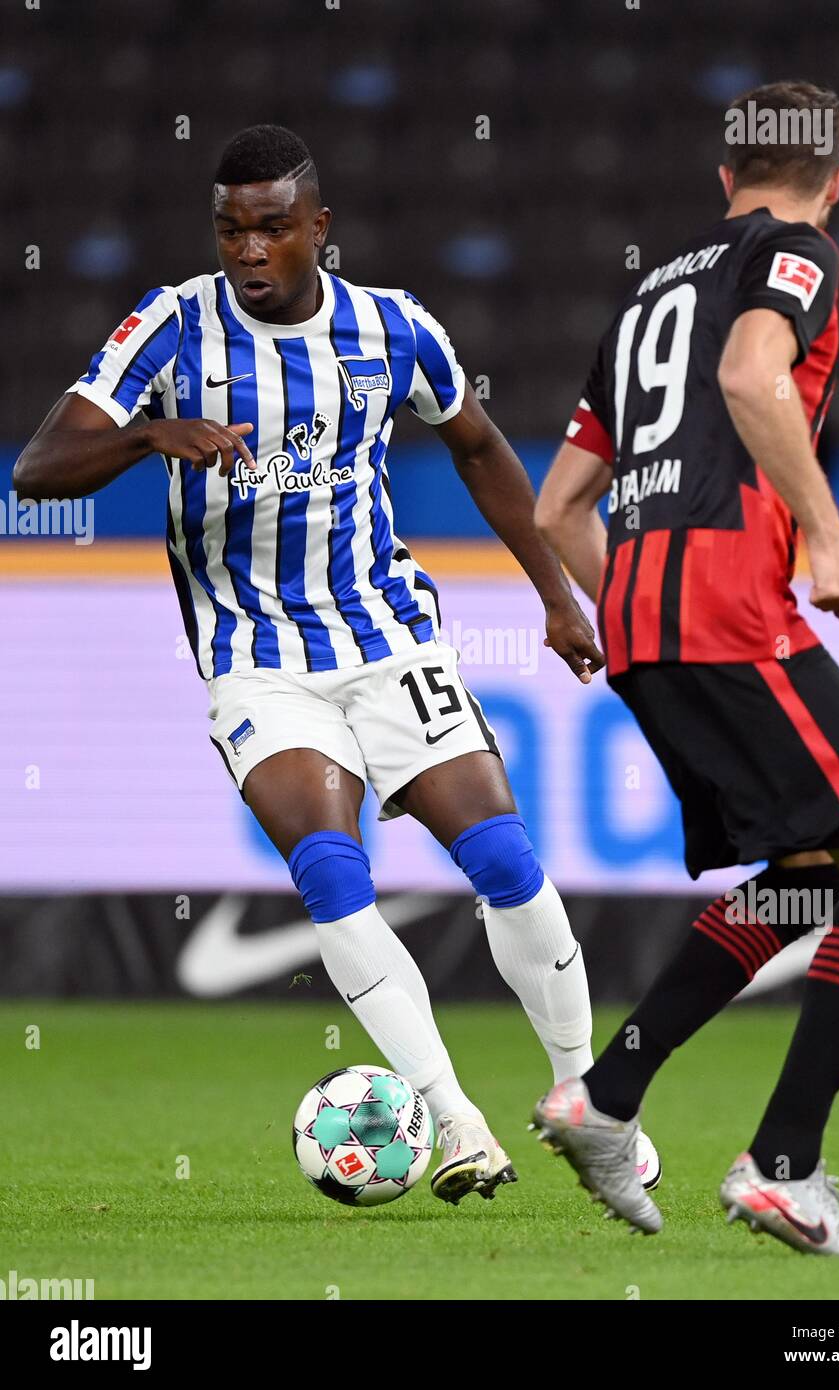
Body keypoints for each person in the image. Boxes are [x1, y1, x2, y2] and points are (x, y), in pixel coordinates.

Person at [14, 123, 660, 1206]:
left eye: (272, 227)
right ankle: (453, 1119)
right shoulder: (171, 329)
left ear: (320, 229)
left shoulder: (392, 328)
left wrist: (557, 591)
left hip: (386, 634)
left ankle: (585, 1104)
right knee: (329, 865)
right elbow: (38, 468)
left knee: (503, 857)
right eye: (230, 228)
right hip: (255, 656)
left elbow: (483, 450)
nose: (248, 250)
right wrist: (148, 437)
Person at [531, 83, 839, 1253]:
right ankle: (783, 1166)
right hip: (730, 607)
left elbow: (564, 502)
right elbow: (752, 377)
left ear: (724, 178)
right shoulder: (802, 254)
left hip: (642, 618)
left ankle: (606, 1094)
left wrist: (633, 596)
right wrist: (822, 533)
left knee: (821, 873)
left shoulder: (645, 295)